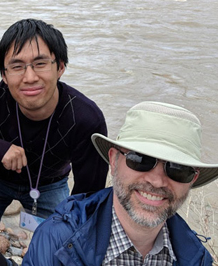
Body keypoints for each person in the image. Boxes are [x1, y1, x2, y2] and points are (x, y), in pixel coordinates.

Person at [0, 18, 109, 248]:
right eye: (17, 66)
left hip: (51, 183)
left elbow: (88, 195)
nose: (29, 77)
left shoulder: (85, 119)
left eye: (40, 64)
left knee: (66, 246)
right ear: (4, 76)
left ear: (60, 67)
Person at [23, 101, 218, 266]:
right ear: (114, 161)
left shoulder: (198, 258)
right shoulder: (57, 242)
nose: (157, 181)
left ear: (192, 179)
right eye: (141, 159)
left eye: (178, 169)